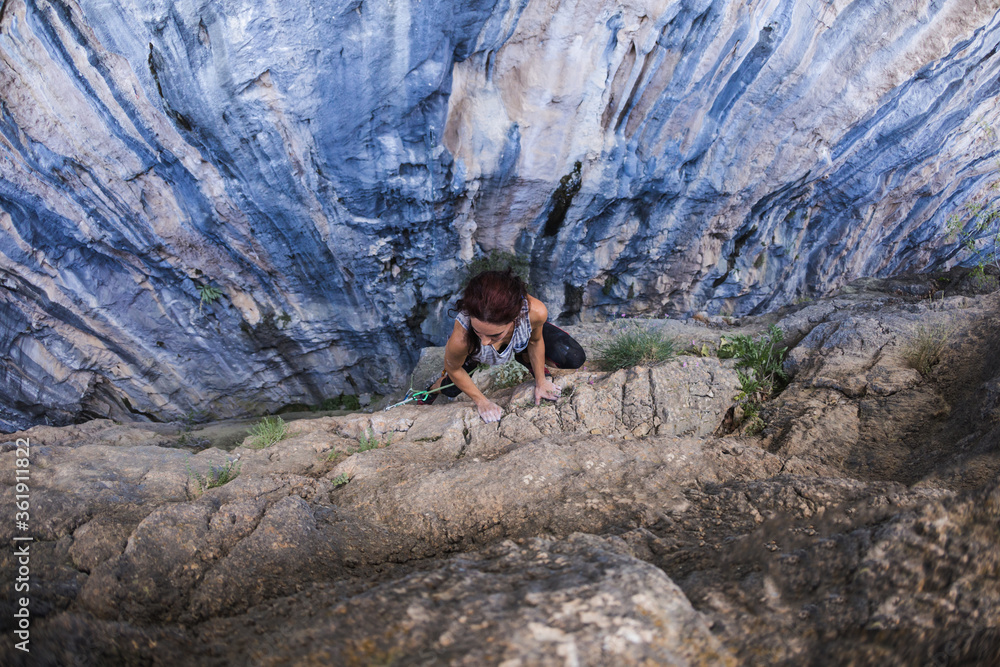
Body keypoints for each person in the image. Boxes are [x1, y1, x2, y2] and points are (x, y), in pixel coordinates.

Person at [419, 269, 586, 423]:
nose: (484, 342)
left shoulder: (535, 312)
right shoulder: (462, 338)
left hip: (521, 340)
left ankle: (524, 357)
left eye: (494, 335)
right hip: (473, 353)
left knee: (572, 357)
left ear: (515, 319)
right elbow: (454, 369)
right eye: (478, 332)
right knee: (451, 389)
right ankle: (430, 391)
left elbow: (535, 341)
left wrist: (541, 381)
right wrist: (482, 401)